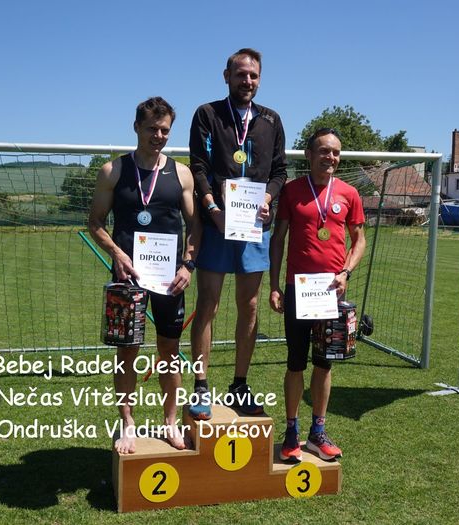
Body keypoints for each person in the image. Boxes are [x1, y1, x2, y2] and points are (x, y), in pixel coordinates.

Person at [88, 97, 200, 454]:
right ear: (136, 127)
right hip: (128, 277)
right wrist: (117, 253)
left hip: (169, 279)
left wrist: (187, 265)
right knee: (127, 352)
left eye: (165, 130)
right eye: (152, 128)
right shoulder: (113, 171)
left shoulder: (181, 174)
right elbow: (95, 222)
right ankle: (127, 423)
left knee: (170, 350)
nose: (159, 136)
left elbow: (195, 226)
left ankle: (170, 421)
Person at [188, 48, 287, 420]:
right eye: (241, 74)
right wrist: (212, 208)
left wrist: (267, 198)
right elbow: (198, 166)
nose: (248, 81)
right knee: (208, 303)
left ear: (260, 79)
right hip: (216, 222)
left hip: (254, 226)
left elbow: (279, 171)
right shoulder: (207, 114)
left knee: (250, 306)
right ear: (226, 75)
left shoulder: (272, 120)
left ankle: (239, 385)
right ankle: (201, 385)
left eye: (253, 75)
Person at [269, 128, 366, 462]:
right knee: (295, 362)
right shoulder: (292, 191)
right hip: (298, 290)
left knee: (324, 364)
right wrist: (274, 285)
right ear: (309, 155)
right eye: (324, 151)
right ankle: (291, 431)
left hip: (330, 292)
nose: (331, 157)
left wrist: (345, 272)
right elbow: (278, 240)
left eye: (336, 152)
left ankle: (317, 432)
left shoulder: (349, 193)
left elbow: (360, 240)